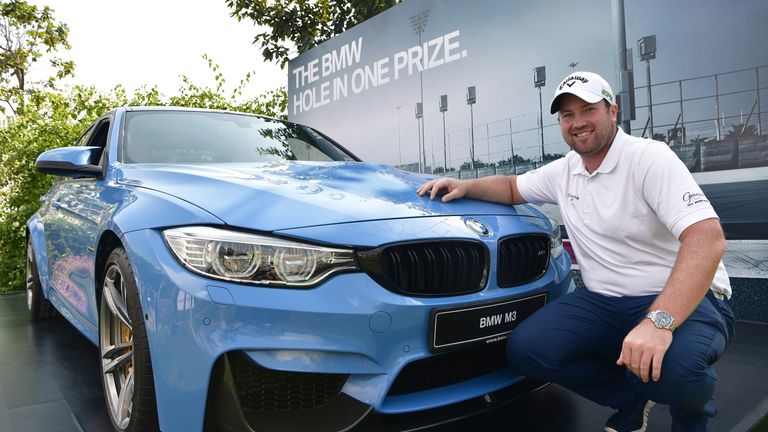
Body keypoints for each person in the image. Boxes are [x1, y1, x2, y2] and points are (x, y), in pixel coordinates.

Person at [416, 71, 734, 432]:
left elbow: (707, 239)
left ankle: (690, 405)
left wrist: (658, 322)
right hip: (605, 301)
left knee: (675, 374)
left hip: (681, 299)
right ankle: (632, 399)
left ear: (612, 111)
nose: (578, 122)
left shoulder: (648, 158)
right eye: (568, 115)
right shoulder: (566, 169)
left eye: (588, 110)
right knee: (528, 349)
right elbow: (510, 187)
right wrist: (464, 185)